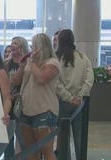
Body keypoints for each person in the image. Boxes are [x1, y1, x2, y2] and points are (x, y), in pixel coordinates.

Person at [12, 33, 60, 160]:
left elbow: (41, 78)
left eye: (34, 46)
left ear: (41, 47)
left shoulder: (52, 62)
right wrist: (22, 64)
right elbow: (15, 81)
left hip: (44, 111)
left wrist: (31, 63)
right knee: (30, 150)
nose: (32, 49)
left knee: (47, 151)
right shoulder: (29, 63)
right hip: (26, 110)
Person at [56, 29, 94, 160]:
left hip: (62, 103)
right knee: (79, 135)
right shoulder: (83, 58)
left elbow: (56, 83)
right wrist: (80, 96)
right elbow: (89, 80)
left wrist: (68, 97)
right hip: (80, 104)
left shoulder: (56, 59)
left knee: (63, 137)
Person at [3, 36, 29, 160]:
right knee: (7, 137)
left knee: (22, 137)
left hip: (23, 104)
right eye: (12, 42)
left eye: (16, 43)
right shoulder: (7, 64)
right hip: (8, 102)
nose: (12, 45)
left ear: (22, 46)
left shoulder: (28, 63)